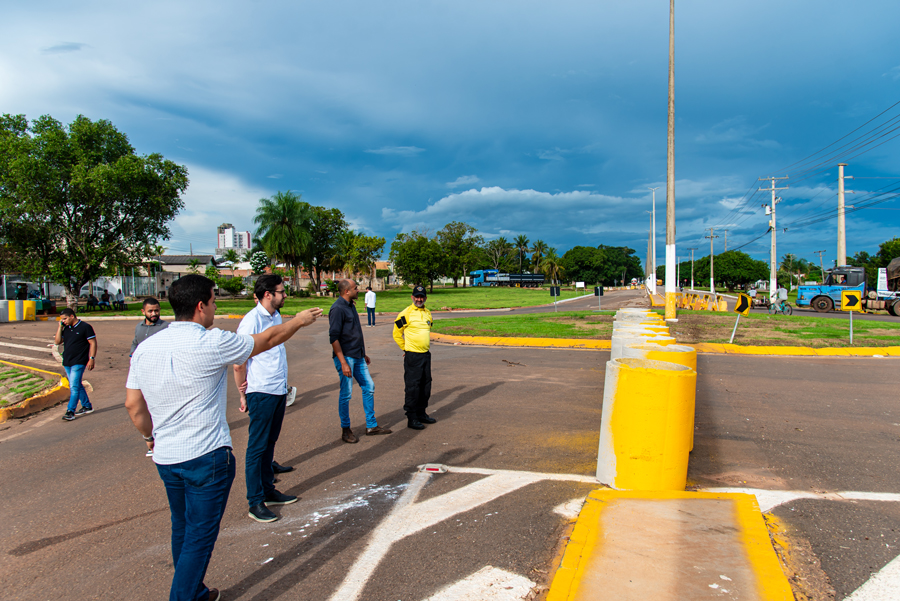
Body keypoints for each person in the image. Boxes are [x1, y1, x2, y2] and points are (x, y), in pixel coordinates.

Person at [124, 274, 322, 601]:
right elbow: (266, 340)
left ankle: (196, 591)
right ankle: (184, 596)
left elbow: (134, 405)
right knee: (200, 537)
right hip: (206, 456)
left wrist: (149, 437)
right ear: (201, 306)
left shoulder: (145, 349)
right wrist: (299, 321)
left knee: (183, 527)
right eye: (214, 301)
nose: (216, 307)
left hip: (167, 458)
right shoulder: (212, 341)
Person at [233, 274, 298, 523]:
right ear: (268, 294)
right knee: (256, 448)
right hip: (260, 391)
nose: (285, 295)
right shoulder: (251, 322)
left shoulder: (275, 316)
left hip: (277, 389)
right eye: (281, 291)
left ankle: (268, 490)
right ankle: (255, 501)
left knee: (270, 443)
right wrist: (242, 394)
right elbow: (239, 361)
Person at [329, 279, 392, 443]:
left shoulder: (351, 305)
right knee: (346, 393)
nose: (359, 290)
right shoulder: (337, 309)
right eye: (356, 288)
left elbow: (354, 332)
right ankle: (346, 429)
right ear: (346, 291)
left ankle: (371, 425)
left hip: (358, 356)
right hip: (346, 357)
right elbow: (334, 338)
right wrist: (343, 362)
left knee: (369, 386)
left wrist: (363, 353)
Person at [393, 285, 436, 430]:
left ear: (425, 298)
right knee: (413, 387)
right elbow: (396, 333)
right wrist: (405, 348)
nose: (419, 299)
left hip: (425, 355)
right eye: (416, 296)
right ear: (412, 297)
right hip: (413, 356)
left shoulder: (428, 313)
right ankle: (412, 418)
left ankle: (421, 413)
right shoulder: (406, 314)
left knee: (426, 386)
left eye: (421, 297)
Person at [55, 308, 96, 421]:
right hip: (67, 361)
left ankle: (70, 411)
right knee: (76, 384)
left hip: (79, 361)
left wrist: (91, 358)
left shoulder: (85, 327)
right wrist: (60, 327)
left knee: (73, 386)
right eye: (62, 320)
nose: (64, 321)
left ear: (72, 316)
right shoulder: (66, 328)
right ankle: (87, 405)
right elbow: (58, 342)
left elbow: (93, 343)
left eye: (65, 319)